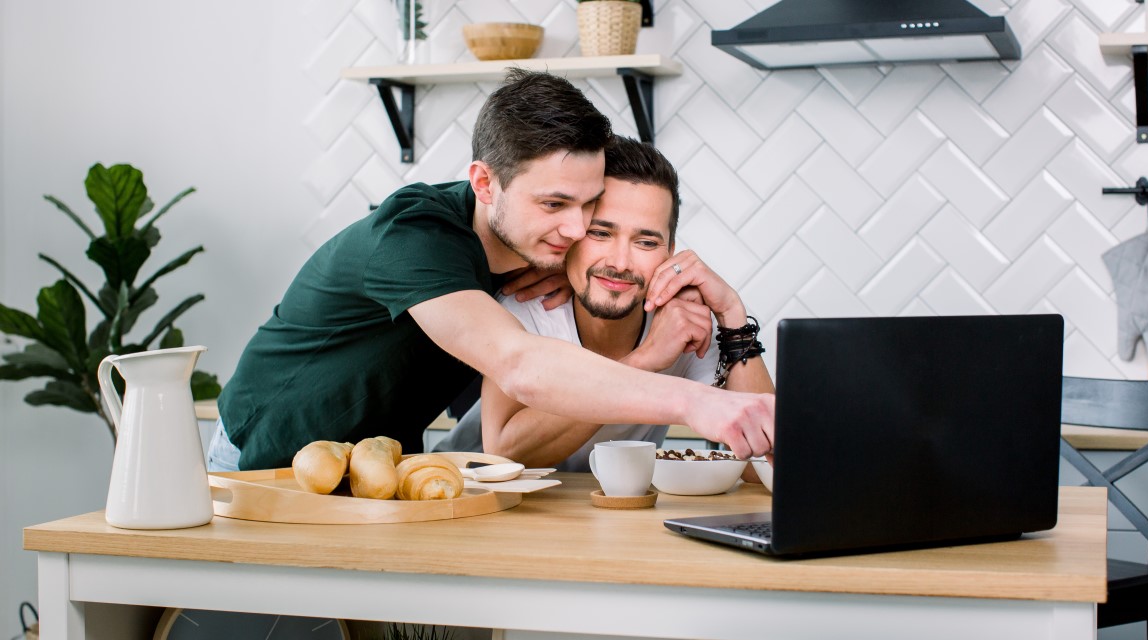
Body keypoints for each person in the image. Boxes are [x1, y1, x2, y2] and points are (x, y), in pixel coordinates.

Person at [209, 69, 774, 472]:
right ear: (484, 184)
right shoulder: (413, 238)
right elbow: (521, 367)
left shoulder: (531, 255)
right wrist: (694, 401)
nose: (579, 232)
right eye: (555, 206)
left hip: (376, 465)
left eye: (588, 207)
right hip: (267, 453)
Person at [436, 136, 774, 471]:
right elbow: (504, 451)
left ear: (670, 253)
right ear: (572, 233)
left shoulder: (682, 322)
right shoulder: (528, 306)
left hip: (602, 513)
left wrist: (732, 314)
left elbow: (765, 467)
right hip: (467, 493)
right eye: (600, 233)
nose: (620, 261)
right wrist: (645, 360)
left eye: (645, 241)